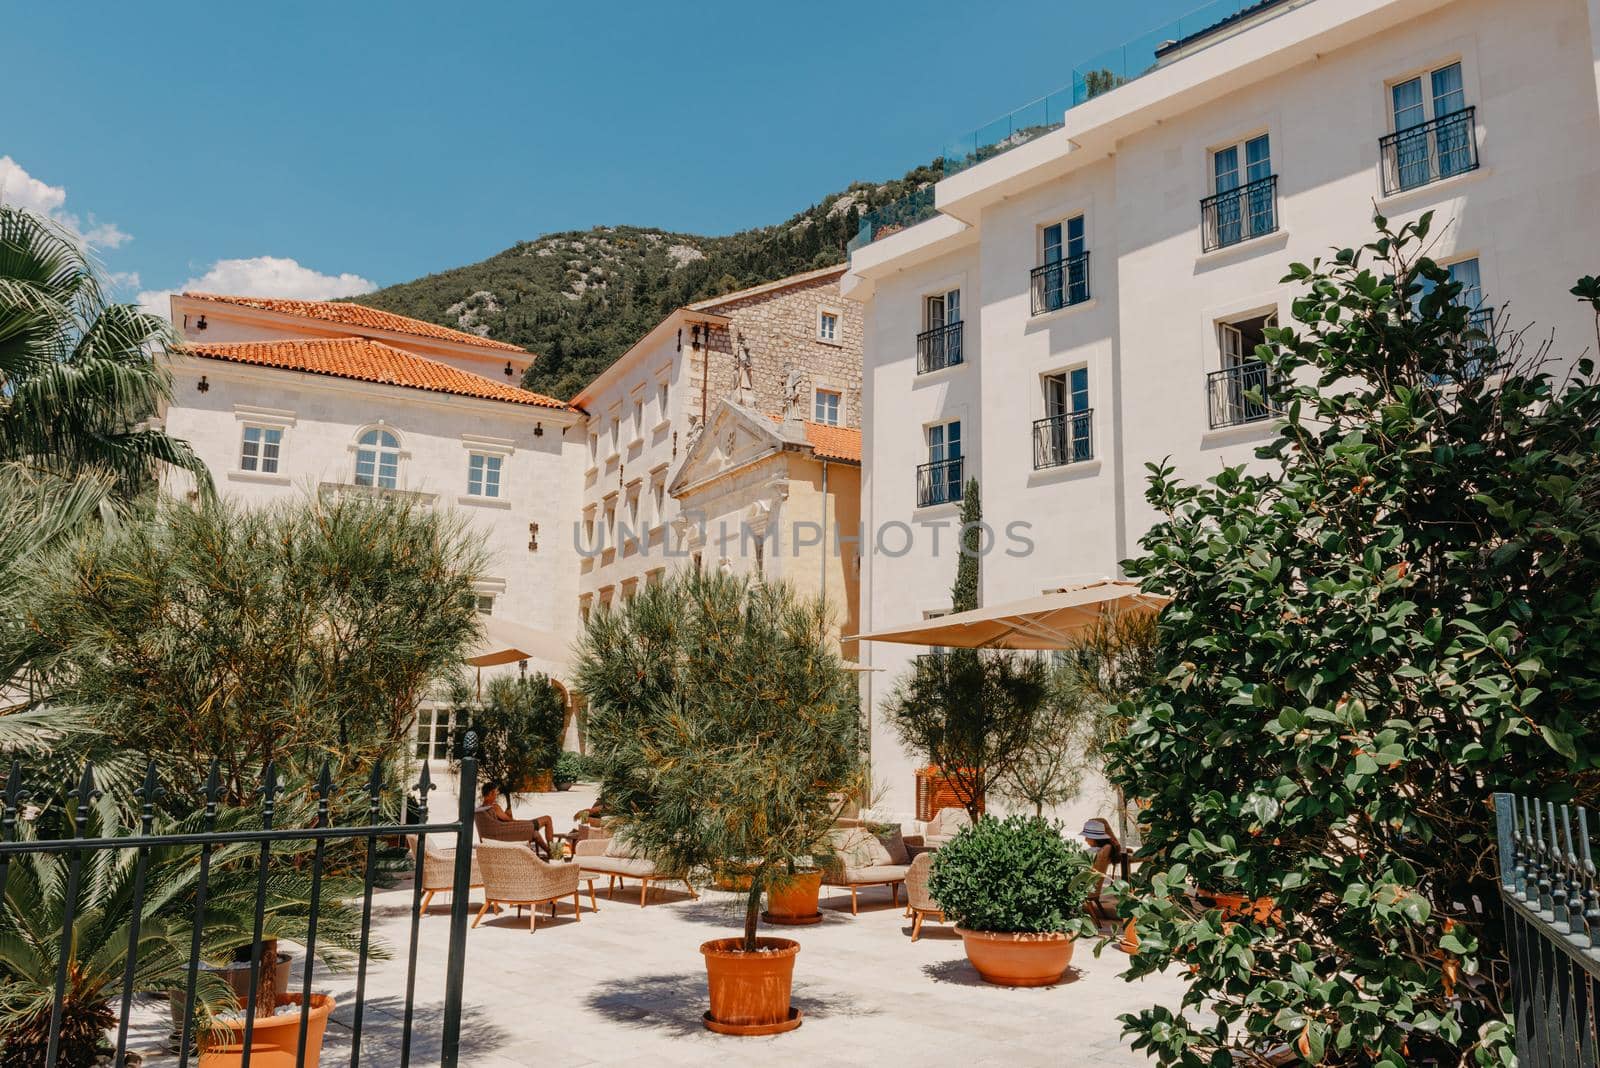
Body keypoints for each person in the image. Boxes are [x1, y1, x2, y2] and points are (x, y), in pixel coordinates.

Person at [478, 784, 556, 858]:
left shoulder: (482, 809)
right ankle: (553, 850)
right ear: (491, 793)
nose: (496, 795)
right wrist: (523, 821)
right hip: (514, 831)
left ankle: (550, 853)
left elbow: (501, 822)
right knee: (547, 819)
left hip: (504, 833)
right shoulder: (494, 807)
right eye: (496, 793)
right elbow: (509, 820)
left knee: (535, 834)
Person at [1081, 817, 1130, 924]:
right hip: (1093, 890)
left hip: (1083, 888)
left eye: (1087, 837)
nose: (1085, 840)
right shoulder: (1106, 851)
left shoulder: (1091, 852)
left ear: (1095, 838)